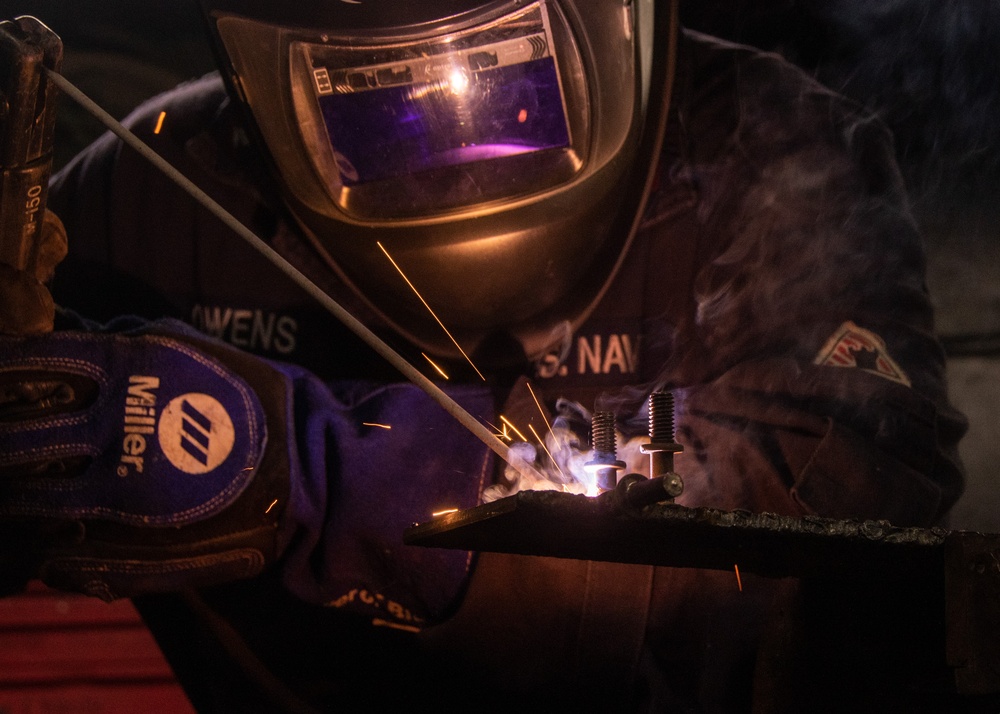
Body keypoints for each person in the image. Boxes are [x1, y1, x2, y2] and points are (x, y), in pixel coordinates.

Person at [0, 0, 967, 710]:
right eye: (377, 105)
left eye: (504, 87)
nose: (445, 129)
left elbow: (854, 494)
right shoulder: (148, 191)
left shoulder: (768, 148)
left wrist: (324, 472)